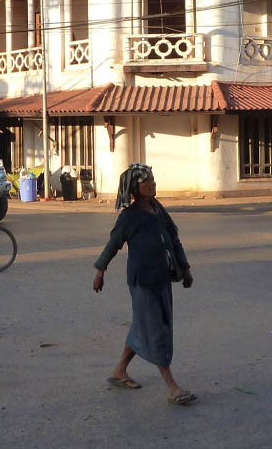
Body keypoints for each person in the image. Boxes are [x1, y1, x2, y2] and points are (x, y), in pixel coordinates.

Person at [93, 164, 196, 405]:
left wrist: (185, 267)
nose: (153, 183)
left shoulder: (158, 209)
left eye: (153, 179)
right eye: (147, 181)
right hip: (142, 282)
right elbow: (113, 244)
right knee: (155, 329)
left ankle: (119, 370)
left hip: (162, 279)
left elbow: (173, 238)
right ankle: (172, 386)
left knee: (144, 326)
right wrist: (100, 271)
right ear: (135, 187)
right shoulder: (130, 216)